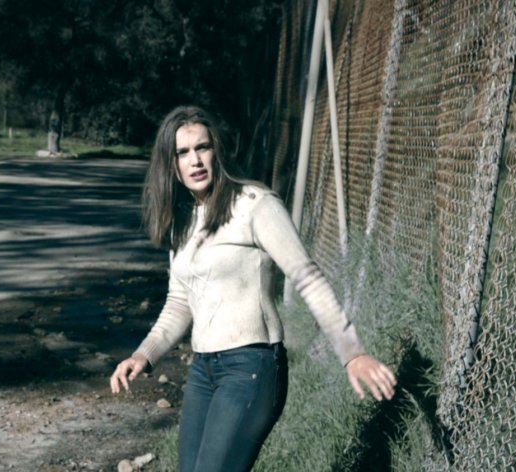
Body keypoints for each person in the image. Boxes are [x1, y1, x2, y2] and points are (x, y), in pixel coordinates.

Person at [110, 105, 396, 471]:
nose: (195, 160)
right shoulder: (183, 223)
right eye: (183, 153)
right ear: (171, 165)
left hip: (252, 368)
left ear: (217, 151)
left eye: (203, 147)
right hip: (203, 371)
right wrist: (143, 355)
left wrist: (351, 352)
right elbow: (180, 301)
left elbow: (307, 278)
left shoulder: (255, 205)